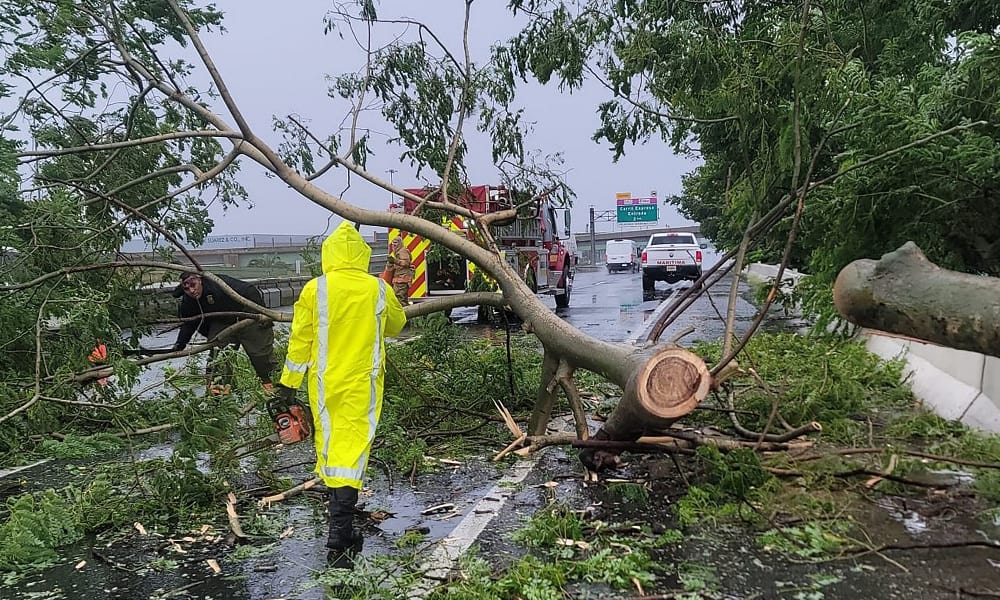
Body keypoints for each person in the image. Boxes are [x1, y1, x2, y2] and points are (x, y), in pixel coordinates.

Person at [275, 221, 406, 569]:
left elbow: (300, 340)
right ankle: (341, 529)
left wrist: (288, 383)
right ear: (362, 255)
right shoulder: (377, 289)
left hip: (324, 383)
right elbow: (396, 326)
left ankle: (340, 526)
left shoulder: (314, 289)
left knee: (332, 447)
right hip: (364, 382)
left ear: (328, 254)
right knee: (354, 448)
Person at [172, 271, 276, 393]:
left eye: (193, 285)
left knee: (260, 354)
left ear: (200, 280)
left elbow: (250, 290)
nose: (192, 290)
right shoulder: (188, 301)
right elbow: (189, 324)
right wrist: (180, 344)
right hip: (222, 323)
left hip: (247, 316)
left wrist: (259, 314)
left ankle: (271, 386)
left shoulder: (218, 283)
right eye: (187, 289)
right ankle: (218, 392)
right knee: (218, 357)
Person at [386, 235, 413, 305]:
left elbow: (406, 263)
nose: (393, 245)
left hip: (402, 279)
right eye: (392, 243)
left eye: (395, 242)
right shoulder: (398, 252)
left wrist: (395, 261)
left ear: (400, 243)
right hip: (399, 279)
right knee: (400, 298)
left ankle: (404, 313)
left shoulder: (402, 251)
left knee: (400, 299)